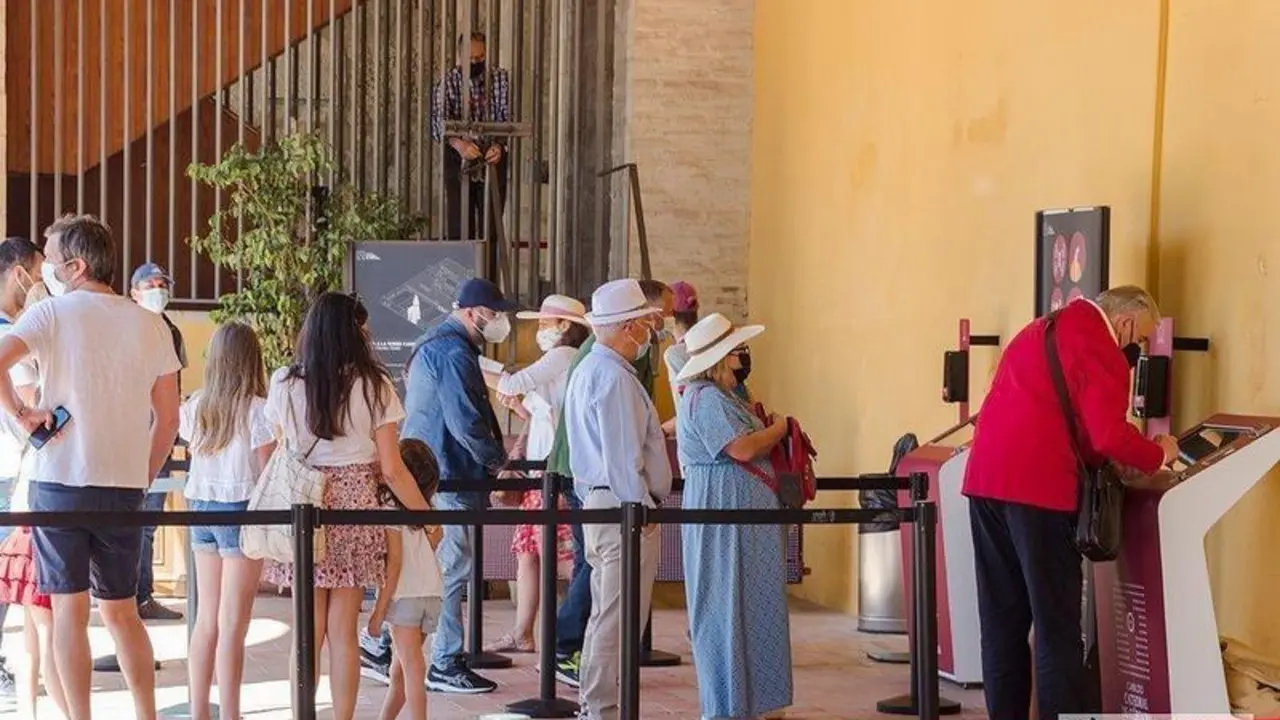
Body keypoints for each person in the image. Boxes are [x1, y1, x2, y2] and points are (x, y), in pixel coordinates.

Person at [962, 286, 1180, 720]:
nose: (1136, 349)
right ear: (1125, 322)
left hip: (985, 482)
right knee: (1057, 625)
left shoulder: (1039, 329)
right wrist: (1159, 454)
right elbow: (1107, 435)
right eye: (1139, 338)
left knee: (1002, 622)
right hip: (1039, 492)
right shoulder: (1100, 346)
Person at [0, 214, 182, 720]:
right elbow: (169, 418)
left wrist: (21, 413)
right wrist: (143, 475)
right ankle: (146, 714)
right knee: (123, 612)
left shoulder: (50, 314)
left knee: (69, 612)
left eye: (52, 259)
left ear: (76, 266)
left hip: (59, 482)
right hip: (123, 487)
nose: (45, 270)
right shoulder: (150, 324)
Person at [261, 292, 429, 720]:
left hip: (305, 504)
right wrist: (427, 518)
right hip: (356, 505)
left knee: (307, 632)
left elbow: (282, 444)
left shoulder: (284, 382)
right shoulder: (375, 385)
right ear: (353, 331)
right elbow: (392, 469)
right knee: (343, 632)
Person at [548, 279, 670, 688]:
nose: (648, 333)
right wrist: (640, 509)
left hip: (602, 503)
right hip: (622, 509)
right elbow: (623, 458)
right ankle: (600, 705)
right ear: (628, 327)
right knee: (616, 619)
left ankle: (598, 701)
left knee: (608, 612)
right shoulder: (614, 377)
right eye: (644, 324)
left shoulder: (592, 369)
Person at [675, 312, 793, 719]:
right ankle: (728, 704)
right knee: (724, 603)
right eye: (736, 350)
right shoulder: (706, 397)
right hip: (725, 512)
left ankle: (753, 699)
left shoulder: (723, 395)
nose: (742, 356)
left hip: (740, 513)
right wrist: (779, 429)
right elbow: (741, 448)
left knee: (749, 602)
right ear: (722, 357)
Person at [400, 277, 513, 694]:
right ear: (471, 313)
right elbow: (465, 420)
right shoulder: (452, 352)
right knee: (452, 567)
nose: (499, 322)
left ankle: (380, 647)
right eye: (493, 313)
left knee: (430, 567)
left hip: (434, 472)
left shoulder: (436, 344)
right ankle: (445, 661)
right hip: (451, 474)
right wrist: (498, 464)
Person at [180, 322, 275, 720]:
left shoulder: (196, 406)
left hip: (200, 508)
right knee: (233, 623)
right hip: (241, 510)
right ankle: (231, 714)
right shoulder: (258, 410)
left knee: (206, 619)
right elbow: (267, 473)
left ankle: (200, 711)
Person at [484, 294, 588, 653]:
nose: (540, 330)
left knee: (558, 556)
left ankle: (566, 633)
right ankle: (523, 631)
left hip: (551, 472)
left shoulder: (562, 356)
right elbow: (541, 412)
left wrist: (476, 367)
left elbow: (511, 384)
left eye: (545, 324)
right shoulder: (565, 361)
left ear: (565, 326)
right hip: (540, 469)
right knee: (529, 553)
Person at [128, 262, 187, 623]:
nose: (157, 290)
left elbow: (173, 387)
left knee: (148, 520)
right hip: (125, 435)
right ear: (133, 292)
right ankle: (119, 596)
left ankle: (142, 595)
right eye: (149, 285)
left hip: (159, 436)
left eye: (162, 284)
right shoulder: (124, 327)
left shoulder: (171, 332)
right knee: (123, 521)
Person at [369, 438, 443, 720]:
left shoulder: (389, 507)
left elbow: (395, 564)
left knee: (412, 666)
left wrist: (378, 612)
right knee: (399, 670)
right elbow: (436, 538)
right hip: (431, 592)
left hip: (404, 596)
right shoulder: (425, 509)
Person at [0, 237, 44, 698]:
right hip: (10, 469)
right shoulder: (12, 338)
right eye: (39, 271)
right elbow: (33, 405)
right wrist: (25, 414)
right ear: (19, 273)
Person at [431, 32, 511, 267]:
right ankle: (462, 283)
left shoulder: (500, 79)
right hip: (459, 158)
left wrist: (499, 145)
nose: (476, 63)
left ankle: (489, 283)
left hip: (492, 157)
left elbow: (507, 119)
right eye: (471, 59)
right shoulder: (447, 83)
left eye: (481, 57)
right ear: (460, 57)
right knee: (460, 230)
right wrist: (458, 144)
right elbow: (437, 126)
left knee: (491, 231)